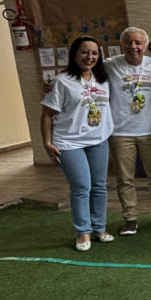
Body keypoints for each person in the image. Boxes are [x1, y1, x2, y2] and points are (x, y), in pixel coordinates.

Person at [40, 36, 115, 251]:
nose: (89, 57)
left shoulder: (103, 79)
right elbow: (47, 115)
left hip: (98, 140)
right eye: (84, 52)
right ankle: (83, 232)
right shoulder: (62, 81)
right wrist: (47, 143)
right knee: (82, 186)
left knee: (99, 186)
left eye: (94, 53)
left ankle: (99, 228)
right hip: (69, 142)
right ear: (74, 54)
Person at [104, 26, 151, 235]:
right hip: (120, 132)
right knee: (124, 178)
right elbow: (83, 71)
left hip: (149, 129)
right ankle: (130, 218)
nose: (133, 46)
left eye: (138, 42)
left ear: (145, 45)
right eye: (128, 42)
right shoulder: (109, 65)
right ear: (121, 45)